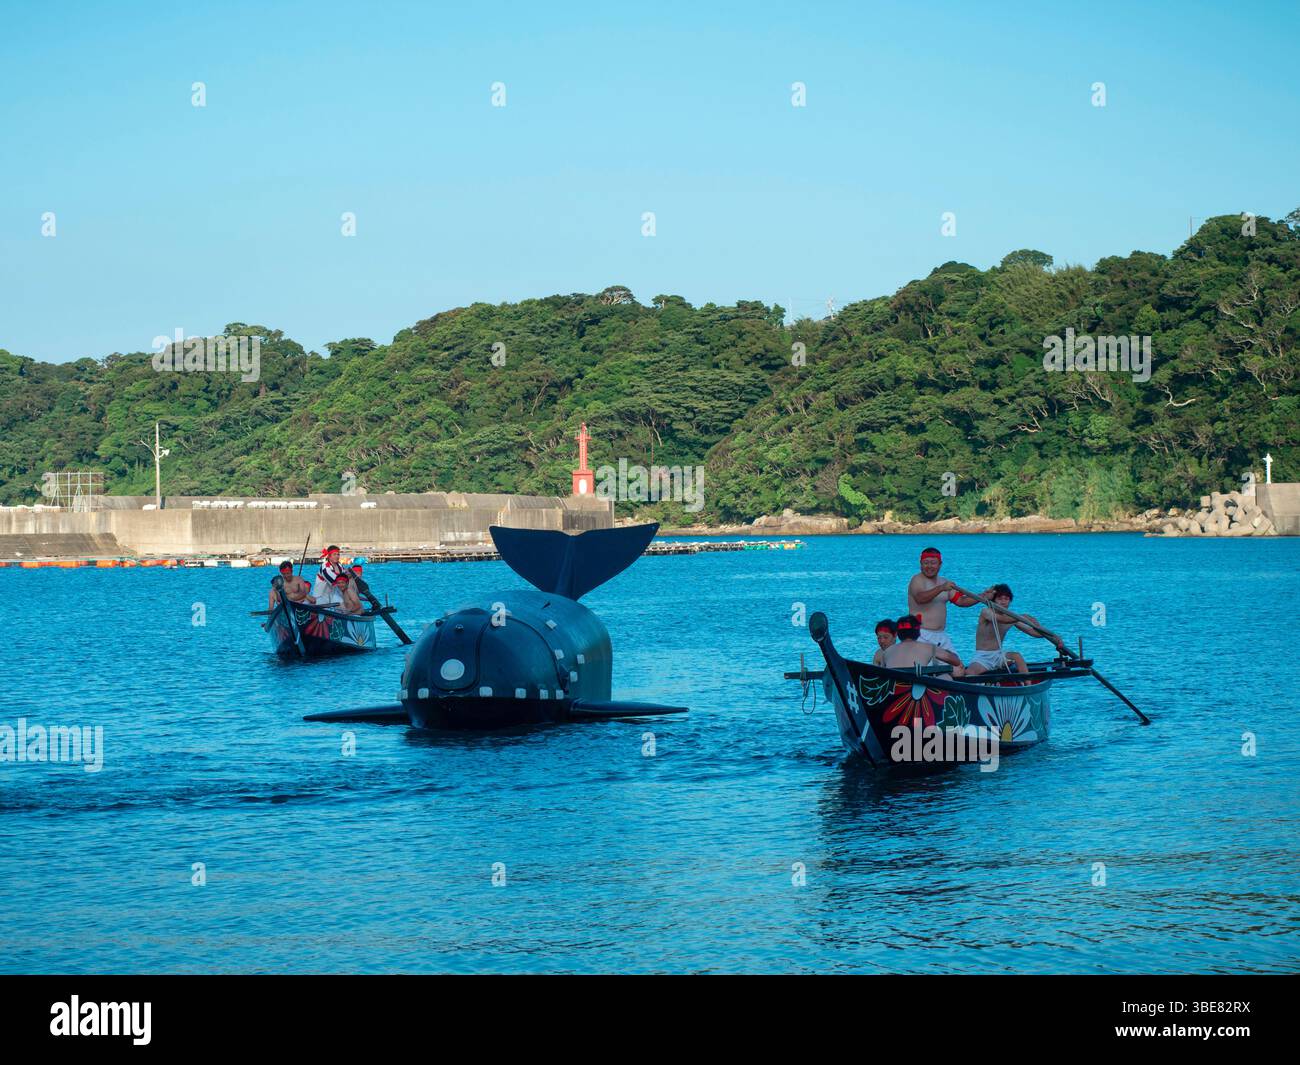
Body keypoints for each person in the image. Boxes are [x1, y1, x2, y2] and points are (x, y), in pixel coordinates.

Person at [967, 584, 1065, 678]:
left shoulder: (1012, 618)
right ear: (993, 600)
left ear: (1010, 601)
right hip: (983, 657)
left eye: (1006, 599)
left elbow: (1033, 632)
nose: (1003, 602)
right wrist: (1023, 617)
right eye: (1000, 599)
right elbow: (1002, 620)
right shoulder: (986, 612)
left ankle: (1027, 684)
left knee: (1017, 656)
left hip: (998, 655)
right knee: (969, 673)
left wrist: (1054, 637)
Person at [906, 547, 976, 666]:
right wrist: (941, 588)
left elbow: (961, 601)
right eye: (926, 563)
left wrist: (983, 596)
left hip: (941, 635)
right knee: (924, 670)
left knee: (958, 668)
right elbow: (920, 598)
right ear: (921, 564)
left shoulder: (944, 581)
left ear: (940, 564)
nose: (929, 566)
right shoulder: (917, 580)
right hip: (921, 634)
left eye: (933, 563)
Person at [883, 614, 965, 677]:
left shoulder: (887, 652)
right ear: (918, 632)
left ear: (898, 634)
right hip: (915, 687)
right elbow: (956, 661)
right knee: (946, 676)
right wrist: (947, 652)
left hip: (894, 687)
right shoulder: (930, 648)